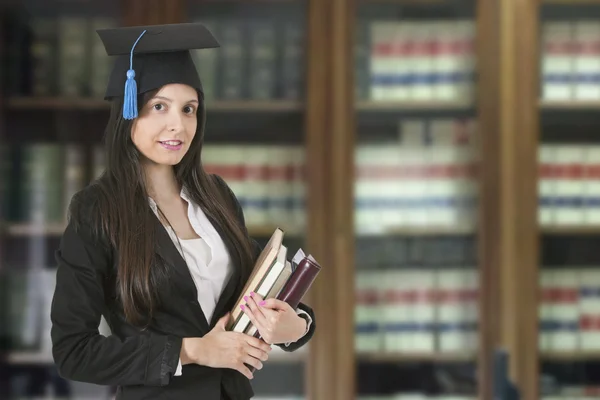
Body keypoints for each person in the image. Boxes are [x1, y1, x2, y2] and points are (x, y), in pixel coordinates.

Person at [50, 23, 315, 400]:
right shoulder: (98, 213)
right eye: (159, 107)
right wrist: (191, 350)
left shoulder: (216, 197)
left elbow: (261, 290)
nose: (177, 124)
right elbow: (73, 351)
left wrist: (296, 326)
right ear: (129, 111)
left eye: (189, 109)